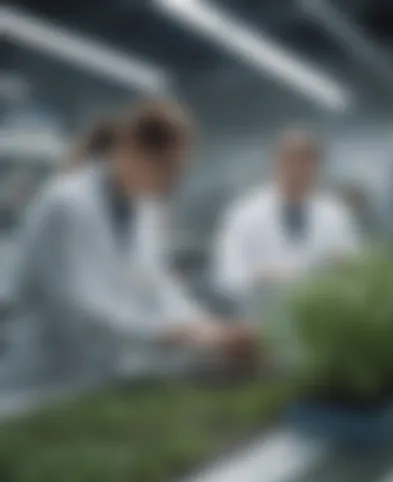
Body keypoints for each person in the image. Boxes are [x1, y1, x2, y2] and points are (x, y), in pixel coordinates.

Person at [8, 100, 257, 383]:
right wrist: (171, 334)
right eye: (167, 169)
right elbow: (82, 307)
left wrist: (211, 329)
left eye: (179, 172)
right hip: (43, 374)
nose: (171, 184)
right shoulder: (66, 204)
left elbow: (158, 287)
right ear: (133, 151)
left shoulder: (143, 211)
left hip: (100, 377)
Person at [214, 129, 360, 305]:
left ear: (318, 167)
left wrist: (343, 268)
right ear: (275, 162)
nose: (297, 171)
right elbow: (226, 274)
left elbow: (354, 267)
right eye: (291, 162)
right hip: (263, 317)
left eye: (306, 164)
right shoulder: (244, 213)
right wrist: (258, 276)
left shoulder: (335, 214)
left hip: (321, 314)